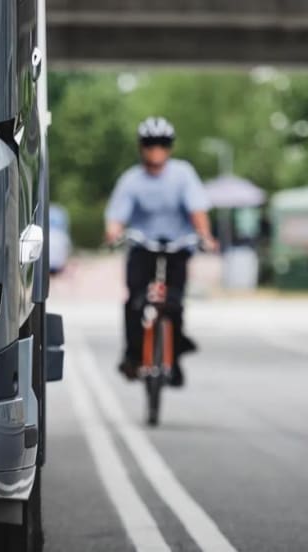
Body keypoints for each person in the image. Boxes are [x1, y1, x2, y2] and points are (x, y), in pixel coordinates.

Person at [104, 117, 218, 387]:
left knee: (175, 303)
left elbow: (197, 210)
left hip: (178, 246)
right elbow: (117, 216)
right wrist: (113, 232)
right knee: (135, 301)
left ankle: (175, 357)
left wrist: (206, 237)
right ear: (141, 147)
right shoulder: (131, 180)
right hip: (143, 246)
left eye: (162, 144)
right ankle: (132, 356)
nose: (156, 149)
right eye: (150, 143)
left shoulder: (183, 174)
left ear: (170, 147)